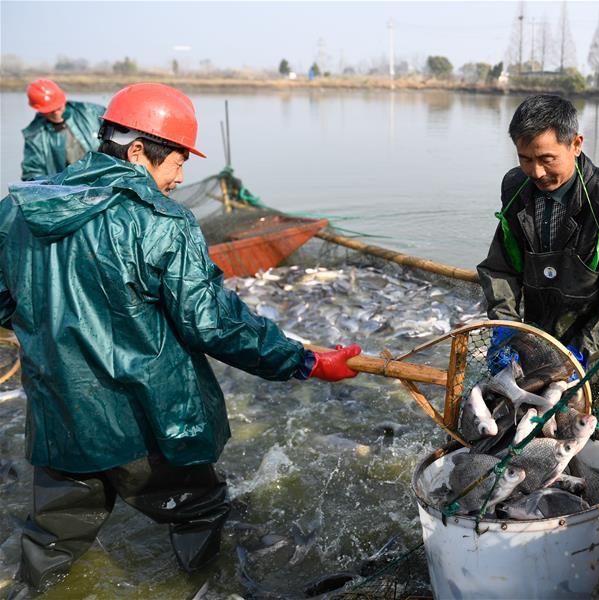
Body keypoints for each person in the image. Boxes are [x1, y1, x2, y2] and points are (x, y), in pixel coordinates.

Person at [0, 83, 362, 590]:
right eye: (177, 160)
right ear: (137, 151)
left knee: (51, 546)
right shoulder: (161, 220)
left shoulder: (17, 210)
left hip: (60, 423)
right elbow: (212, 322)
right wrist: (304, 361)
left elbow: (5, 305)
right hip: (143, 425)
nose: (181, 177)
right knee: (201, 512)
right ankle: (202, 586)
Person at [477, 94, 599, 379]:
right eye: (525, 159)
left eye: (547, 159)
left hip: (596, 349)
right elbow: (501, 268)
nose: (536, 172)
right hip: (536, 337)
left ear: (576, 144)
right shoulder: (515, 187)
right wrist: (506, 328)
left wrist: (577, 358)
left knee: (577, 407)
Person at [21, 79, 106, 181]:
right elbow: (32, 173)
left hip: (103, 178)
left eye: (58, 107)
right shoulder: (35, 136)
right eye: (50, 110)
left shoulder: (92, 112)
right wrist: (54, 184)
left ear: (62, 99)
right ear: (39, 109)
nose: (56, 112)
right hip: (69, 186)